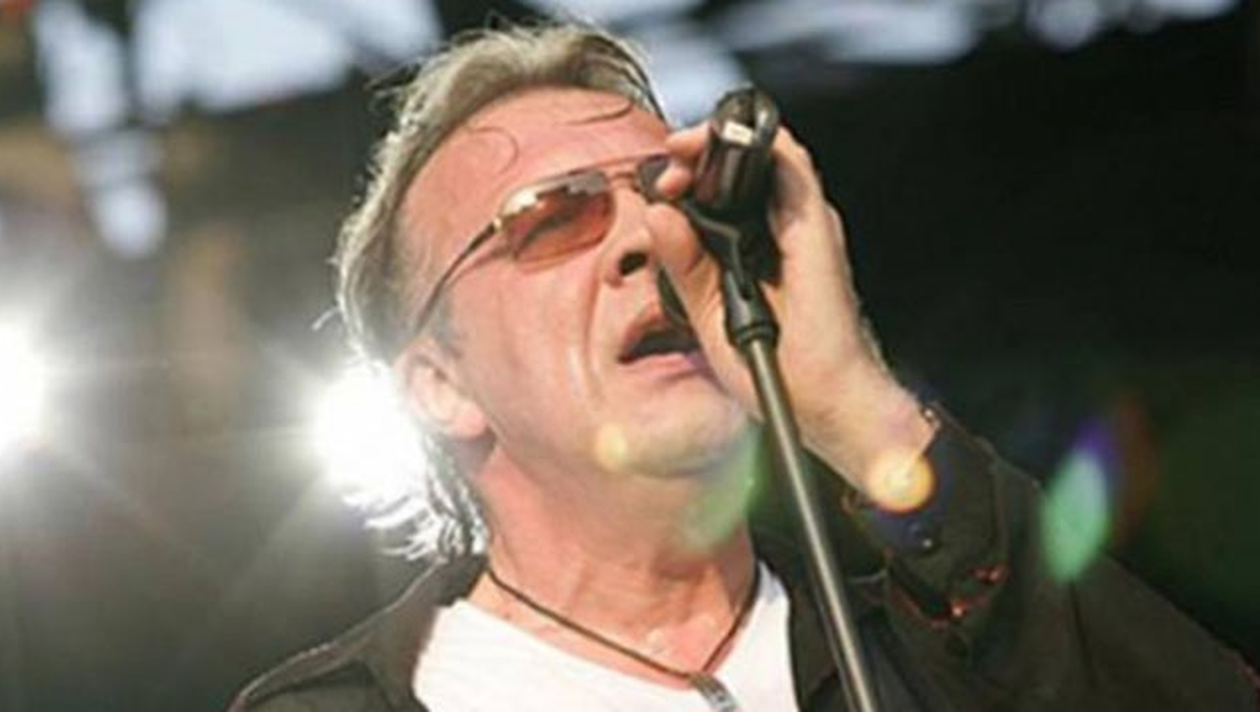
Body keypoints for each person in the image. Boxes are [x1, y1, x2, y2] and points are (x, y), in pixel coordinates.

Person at [229, 23, 1258, 711]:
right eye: (555, 216)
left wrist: (855, 404)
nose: (647, 239)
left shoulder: (937, 651)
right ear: (440, 384)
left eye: (665, 193)